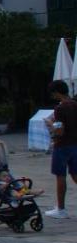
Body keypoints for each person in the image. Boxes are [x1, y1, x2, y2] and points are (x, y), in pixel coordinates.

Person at [45, 80, 76, 219]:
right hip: (75, 144)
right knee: (76, 174)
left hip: (62, 145)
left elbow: (59, 131)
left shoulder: (60, 108)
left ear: (57, 92)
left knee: (60, 176)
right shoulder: (75, 104)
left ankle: (61, 208)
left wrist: (50, 123)